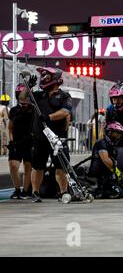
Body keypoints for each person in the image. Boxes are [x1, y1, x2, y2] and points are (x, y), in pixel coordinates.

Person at [28, 67, 72, 203]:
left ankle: (63, 193)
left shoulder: (65, 96)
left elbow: (65, 112)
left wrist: (49, 117)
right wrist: (28, 87)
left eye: (47, 76)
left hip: (57, 138)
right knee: (37, 166)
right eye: (43, 76)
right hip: (40, 138)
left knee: (61, 167)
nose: (44, 78)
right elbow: (23, 98)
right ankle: (35, 192)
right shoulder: (37, 95)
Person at [88, 122, 123, 198]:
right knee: (117, 193)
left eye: (120, 133)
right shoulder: (101, 143)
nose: (119, 136)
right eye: (117, 133)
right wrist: (117, 171)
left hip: (106, 177)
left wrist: (119, 175)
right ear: (109, 132)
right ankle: (95, 192)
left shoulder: (112, 146)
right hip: (97, 177)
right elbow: (106, 160)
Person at [7, 84, 33, 199]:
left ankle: (26, 191)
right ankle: (17, 189)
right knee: (13, 165)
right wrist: (11, 141)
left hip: (30, 142)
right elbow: (10, 128)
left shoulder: (34, 110)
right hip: (16, 142)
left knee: (28, 166)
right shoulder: (13, 110)